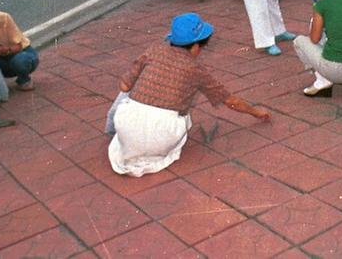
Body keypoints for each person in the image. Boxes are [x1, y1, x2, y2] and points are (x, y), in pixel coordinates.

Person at [109, 13, 270, 177]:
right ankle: (151, 147)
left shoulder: (152, 51)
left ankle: (132, 142)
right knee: (184, 117)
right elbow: (231, 101)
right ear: (195, 47)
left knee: (128, 99)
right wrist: (256, 112)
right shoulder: (195, 69)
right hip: (162, 135)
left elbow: (124, 86)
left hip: (126, 127)